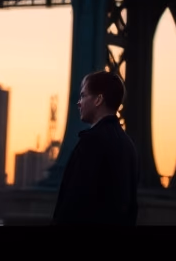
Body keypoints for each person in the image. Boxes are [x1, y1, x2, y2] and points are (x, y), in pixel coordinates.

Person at [52, 70, 139, 226]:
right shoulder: (129, 145)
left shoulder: (92, 142)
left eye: (83, 95)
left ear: (98, 99)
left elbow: (74, 201)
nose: (79, 102)